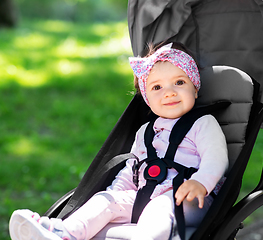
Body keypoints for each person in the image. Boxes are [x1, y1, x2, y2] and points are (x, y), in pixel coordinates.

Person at [9, 42, 228, 240]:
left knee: (160, 208)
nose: (169, 93)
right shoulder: (145, 131)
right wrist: (116, 193)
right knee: (106, 200)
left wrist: (201, 182)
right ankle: (64, 232)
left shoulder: (203, 123)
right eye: (157, 87)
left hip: (187, 198)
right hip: (145, 194)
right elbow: (133, 168)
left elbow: (216, 157)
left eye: (179, 82)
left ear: (195, 88)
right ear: (147, 100)